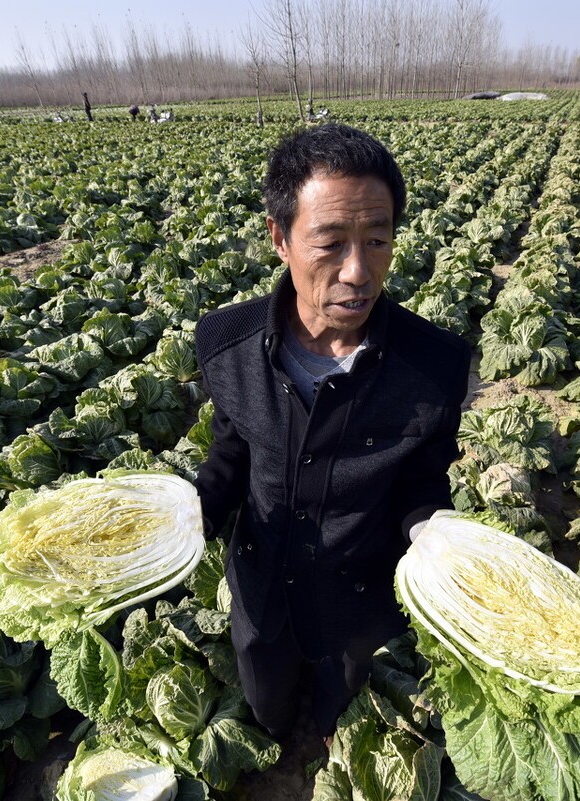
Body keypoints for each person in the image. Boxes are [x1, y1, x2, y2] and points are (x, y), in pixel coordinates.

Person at [193, 124, 470, 741]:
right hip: (261, 590)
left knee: (337, 716)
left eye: (377, 241)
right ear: (280, 239)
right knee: (268, 709)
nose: (358, 271)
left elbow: (421, 484)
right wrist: (184, 520)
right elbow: (231, 452)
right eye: (330, 242)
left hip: (361, 601)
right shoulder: (226, 344)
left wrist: (437, 536)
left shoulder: (436, 365)